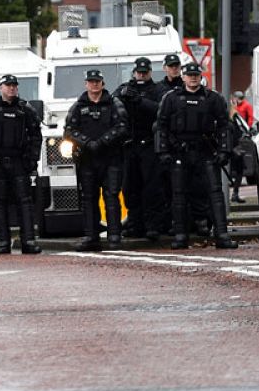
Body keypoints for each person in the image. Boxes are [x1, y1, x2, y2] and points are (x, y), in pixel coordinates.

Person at [155, 62, 238, 250]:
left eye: (196, 75)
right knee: (179, 195)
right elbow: (161, 126)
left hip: (205, 152)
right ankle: (180, 236)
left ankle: (222, 235)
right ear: (183, 77)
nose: (193, 78)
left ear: (201, 77)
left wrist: (224, 151)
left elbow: (224, 126)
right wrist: (163, 151)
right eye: (189, 75)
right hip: (180, 152)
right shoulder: (171, 98)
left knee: (215, 193)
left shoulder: (213, 98)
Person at [0, 75, 44, 255]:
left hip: (19, 162)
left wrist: (32, 159)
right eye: (8, 85)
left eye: (14, 85)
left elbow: (36, 135)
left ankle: (28, 241)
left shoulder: (25, 109)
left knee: (25, 202)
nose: (11, 88)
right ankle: (3, 242)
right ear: (1, 87)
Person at [64, 68, 128, 251]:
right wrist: (87, 143)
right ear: (86, 84)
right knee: (89, 199)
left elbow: (123, 127)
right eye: (91, 81)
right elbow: (69, 131)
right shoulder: (78, 106)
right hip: (87, 160)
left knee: (111, 196)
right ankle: (91, 237)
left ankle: (114, 236)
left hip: (110, 158)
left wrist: (102, 142)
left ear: (102, 83)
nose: (94, 84)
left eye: (97, 81)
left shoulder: (114, 103)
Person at [115, 57, 167, 239]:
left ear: (150, 72)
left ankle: (153, 226)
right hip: (130, 145)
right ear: (134, 72)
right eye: (139, 72)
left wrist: (140, 101)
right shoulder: (125, 88)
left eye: (145, 72)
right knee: (130, 188)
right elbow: (112, 103)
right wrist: (123, 95)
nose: (142, 75)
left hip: (149, 144)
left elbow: (162, 110)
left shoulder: (158, 89)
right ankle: (135, 225)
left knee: (152, 187)